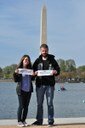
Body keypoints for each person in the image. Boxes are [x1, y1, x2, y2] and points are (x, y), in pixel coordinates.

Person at [32, 44, 60, 126]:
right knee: (39, 104)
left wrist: (56, 72)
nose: (44, 52)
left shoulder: (52, 60)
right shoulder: (37, 60)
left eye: (45, 50)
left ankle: (50, 121)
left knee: (50, 103)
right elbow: (33, 72)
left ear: (48, 50)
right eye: (43, 51)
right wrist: (35, 73)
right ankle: (39, 121)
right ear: (40, 51)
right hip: (40, 85)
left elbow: (58, 69)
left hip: (50, 85)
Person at [13, 55, 34, 127]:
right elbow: (16, 80)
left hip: (28, 90)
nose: (26, 60)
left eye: (27, 60)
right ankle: (19, 121)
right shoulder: (19, 69)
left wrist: (34, 75)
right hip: (21, 90)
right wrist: (15, 73)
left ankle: (23, 120)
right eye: (25, 59)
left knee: (26, 107)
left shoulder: (30, 69)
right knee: (21, 106)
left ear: (29, 61)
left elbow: (33, 79)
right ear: (22, 60)